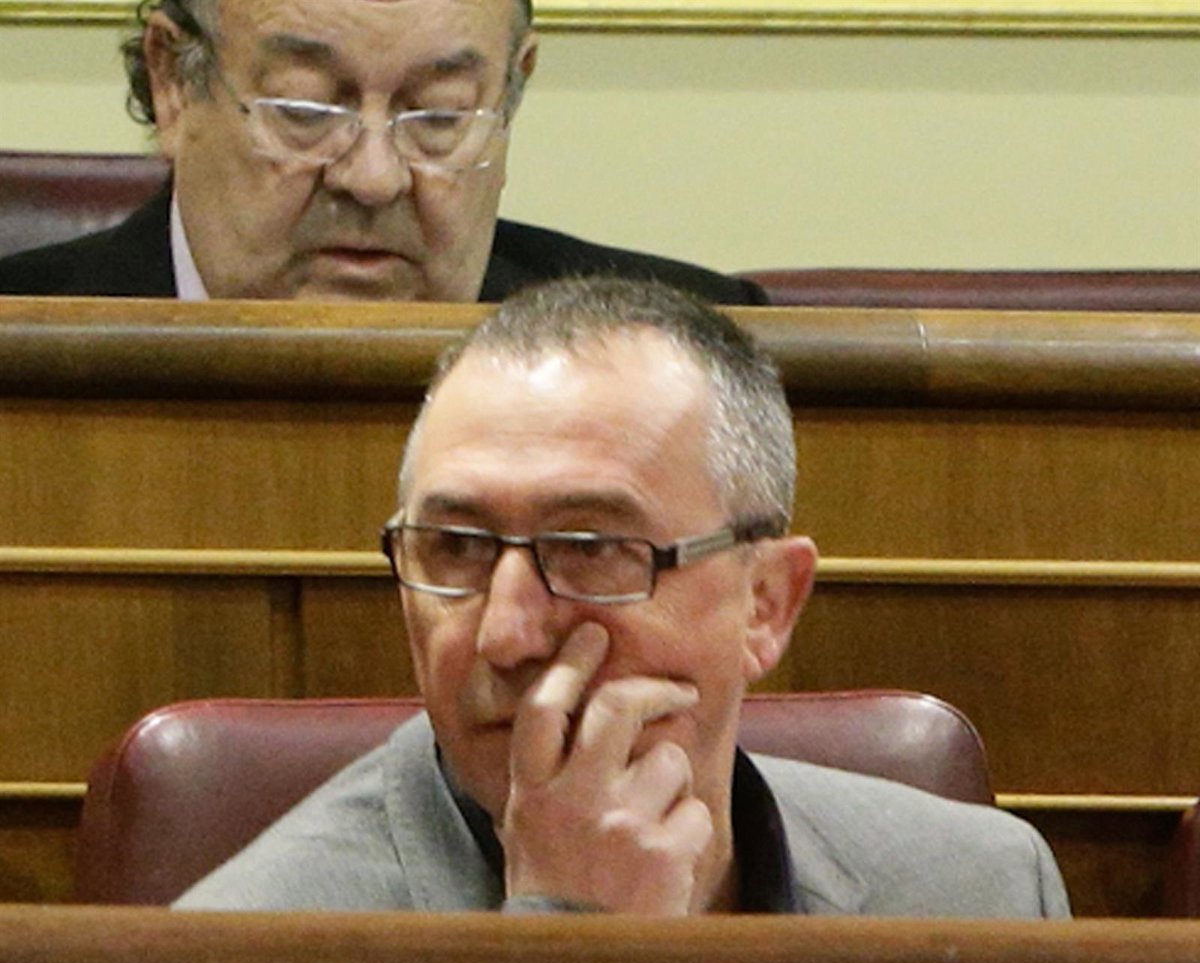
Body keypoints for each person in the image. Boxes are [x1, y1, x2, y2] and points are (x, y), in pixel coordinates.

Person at [176, 276, 1069, 917]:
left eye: (590, 549)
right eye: (456, 547)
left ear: (766, 602)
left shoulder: (978, 892)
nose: (506, 633)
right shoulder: (253, 956)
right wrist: (567, 940)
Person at [0, 0, 763, 305]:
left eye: (439, 114)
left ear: (512, 89)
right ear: (173, 82)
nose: (373, 177)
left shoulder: (693, 357)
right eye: (306, 108)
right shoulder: (22, 356)